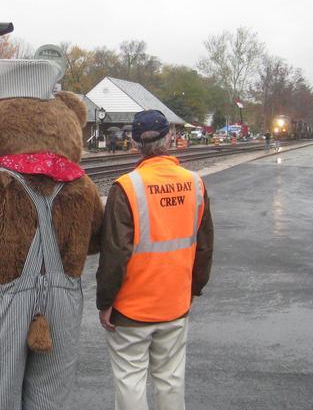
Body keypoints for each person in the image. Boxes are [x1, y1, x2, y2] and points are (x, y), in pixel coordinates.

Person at [96, 109, 214, 410]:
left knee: (130, 380)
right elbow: (204, 246)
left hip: (131, 309)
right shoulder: (195, 184)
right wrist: (193, 289)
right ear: (170, 138)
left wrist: (105, 302)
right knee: (171, 380)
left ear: (136, 144)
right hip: (175, 303)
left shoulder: (127, 187)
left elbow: (115, 254)